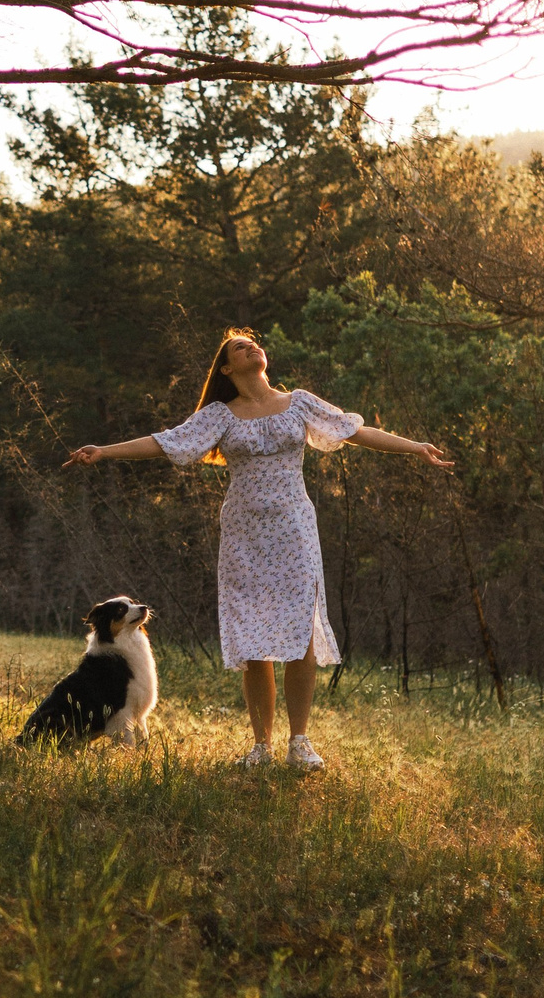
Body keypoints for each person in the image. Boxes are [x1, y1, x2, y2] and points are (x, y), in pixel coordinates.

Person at [66, 329, 453, 768]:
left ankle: (300, 742)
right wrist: (105, 452)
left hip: (294, 531)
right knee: (253, 641)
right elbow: (165, 441)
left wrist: (415, 447)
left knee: (300, 634)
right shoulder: (220, 415)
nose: (252, 346)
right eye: (239, 347)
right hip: (244, 537)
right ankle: (262, 747)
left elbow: (357, 431)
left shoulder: (300, 402)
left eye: (254, 343)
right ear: (227, 368)